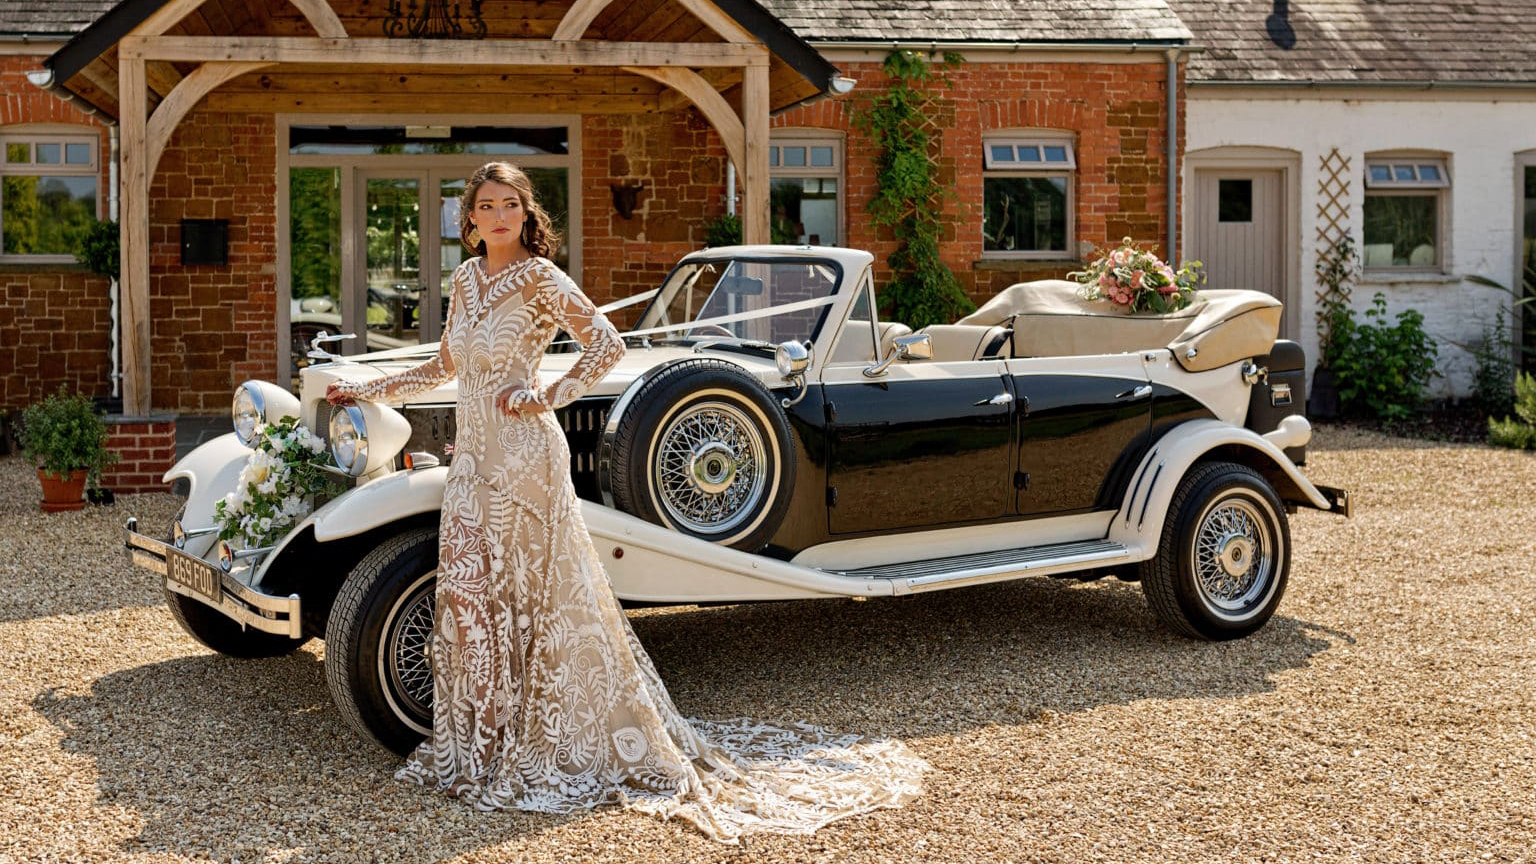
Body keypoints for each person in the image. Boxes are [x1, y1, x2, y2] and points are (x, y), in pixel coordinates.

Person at [325, 162, 929, 843]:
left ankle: (549, 742)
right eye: (485, 206)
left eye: (510, 206)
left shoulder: (542, 280)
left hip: (526, 459)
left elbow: (604, 345)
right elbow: (444, 369)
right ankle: (479, 745)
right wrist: (370, 387)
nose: (497, 217)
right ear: (467, 221)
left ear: (527, 216)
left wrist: (547, 395)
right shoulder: (465, 280)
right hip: (471, 464)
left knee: (538, 599)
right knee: (472, 599)